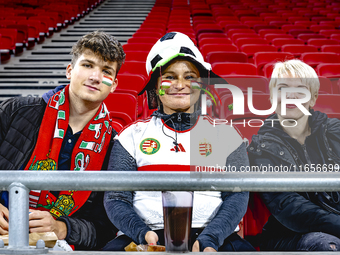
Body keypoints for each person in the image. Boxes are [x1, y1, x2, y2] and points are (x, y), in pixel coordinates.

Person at [103, 32, 255, 252]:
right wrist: (143, 234)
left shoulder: (229, 136)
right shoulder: (130, 136)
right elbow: (116, 198)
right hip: (144, 237)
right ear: (155, 86)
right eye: (170, 77)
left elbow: (237, 196)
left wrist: (210, 238)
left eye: (189, 76)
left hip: (214, 238)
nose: (180, 84)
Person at [0, 31, 126, 250]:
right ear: (69, 71)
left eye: (106, 71)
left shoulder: (116, 145)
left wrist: (61, 227)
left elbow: (105, 228)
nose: (96, 77)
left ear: (113, 84)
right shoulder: (16, 111)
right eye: (87, 65)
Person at [247, 59, 340, 251]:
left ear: (312, 98)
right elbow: (288, 206)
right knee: (326, 245)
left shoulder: (335, 132)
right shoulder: (260, 147)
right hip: (288, 235)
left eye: (300, 89)